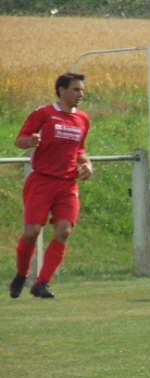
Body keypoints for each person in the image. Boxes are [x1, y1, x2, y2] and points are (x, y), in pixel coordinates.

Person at [9, 72, 93, 299]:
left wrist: (87, 164)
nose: (81, 94)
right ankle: (21, 274)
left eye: (82, 90)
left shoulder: (83, 119)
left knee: (64, 231)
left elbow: (80, 150)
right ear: (62, 90)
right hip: (42, 180)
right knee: (32, 232)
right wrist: (30, 141)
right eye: (76, 89)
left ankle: (42, 283)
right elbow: (20, 140)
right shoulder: (43, 113)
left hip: (67, 184)